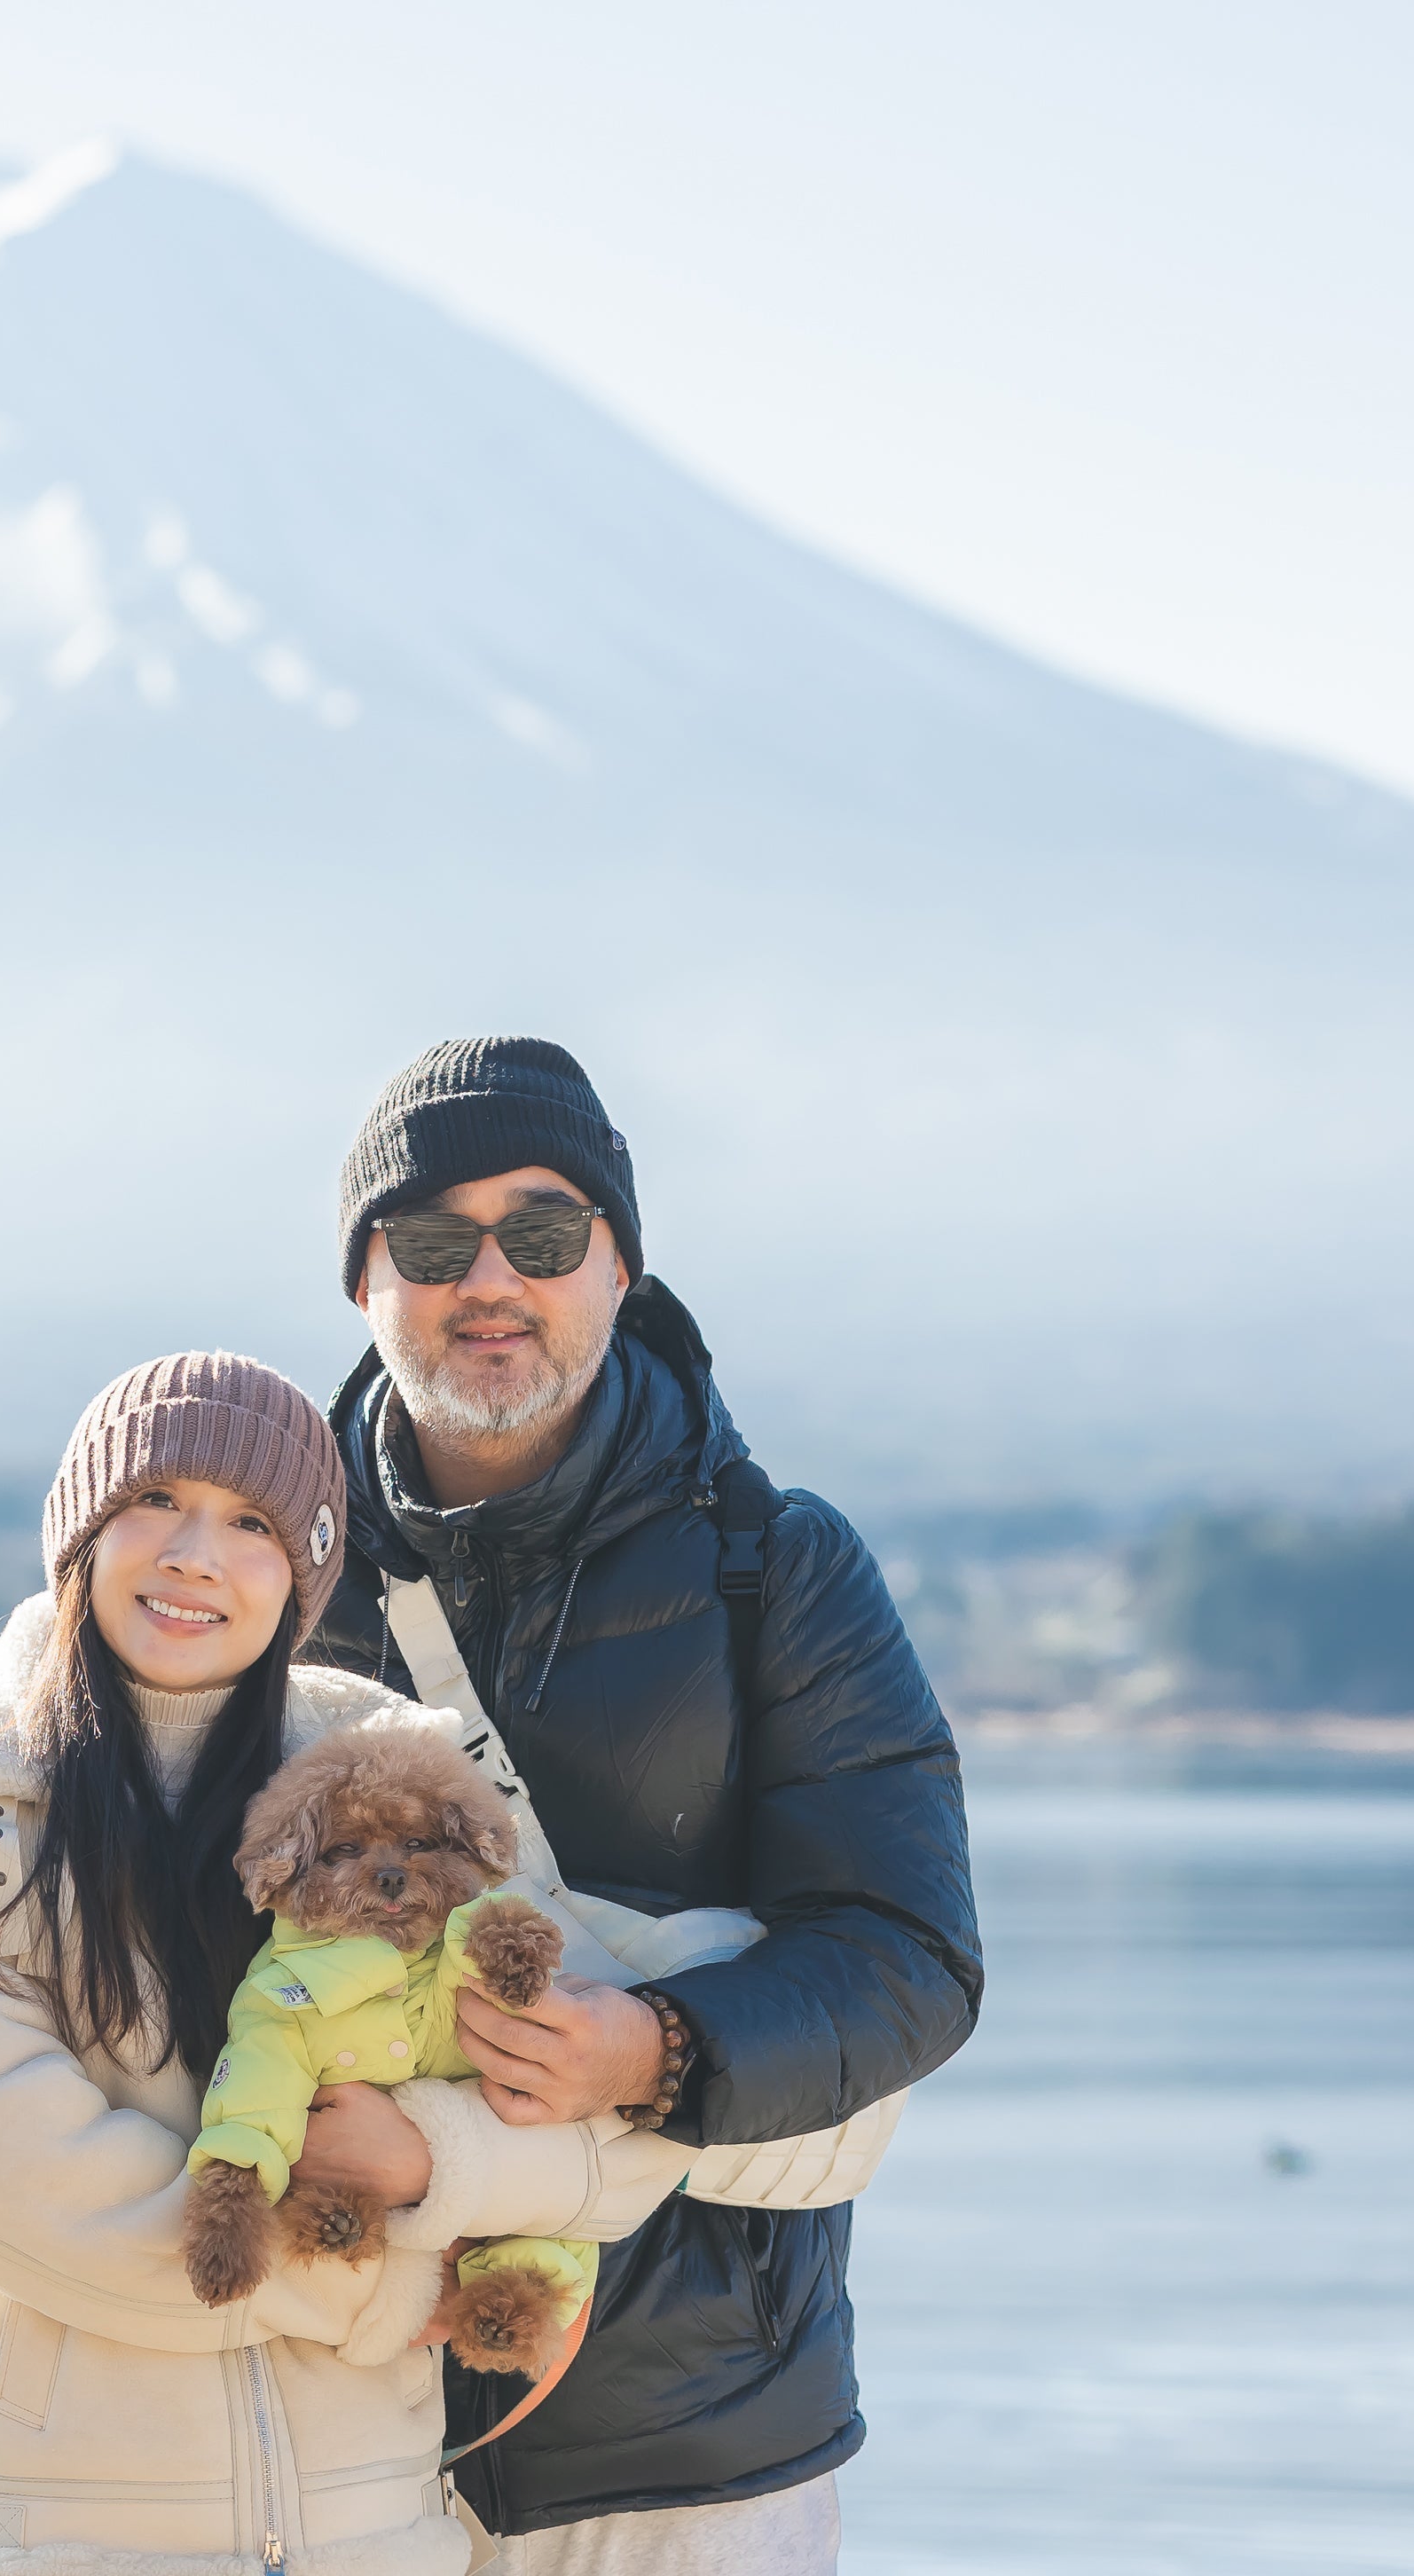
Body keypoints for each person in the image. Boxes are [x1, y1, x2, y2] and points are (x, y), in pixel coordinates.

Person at [298, 1037, 986, 2572]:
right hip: (324, 2433)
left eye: (542, 1235)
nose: (489, 1278)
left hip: (685, 2454)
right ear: (363, 1281)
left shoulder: (775, 1568)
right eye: (431, 1240)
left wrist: (657, 2048)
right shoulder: (263, 1568)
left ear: (622, 1265)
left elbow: (910, 1958)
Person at [0, 1353, 681, 2576]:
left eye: (250, 1524)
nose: (193, 1554)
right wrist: (390, 2298)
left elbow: (629, 2109)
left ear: (302, 1574)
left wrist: (439, 2161)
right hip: (57, 2542)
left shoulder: (388, 1783)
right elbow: (7, 2179)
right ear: (80, 1533)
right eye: (153, 1503)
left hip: (372, 2539)